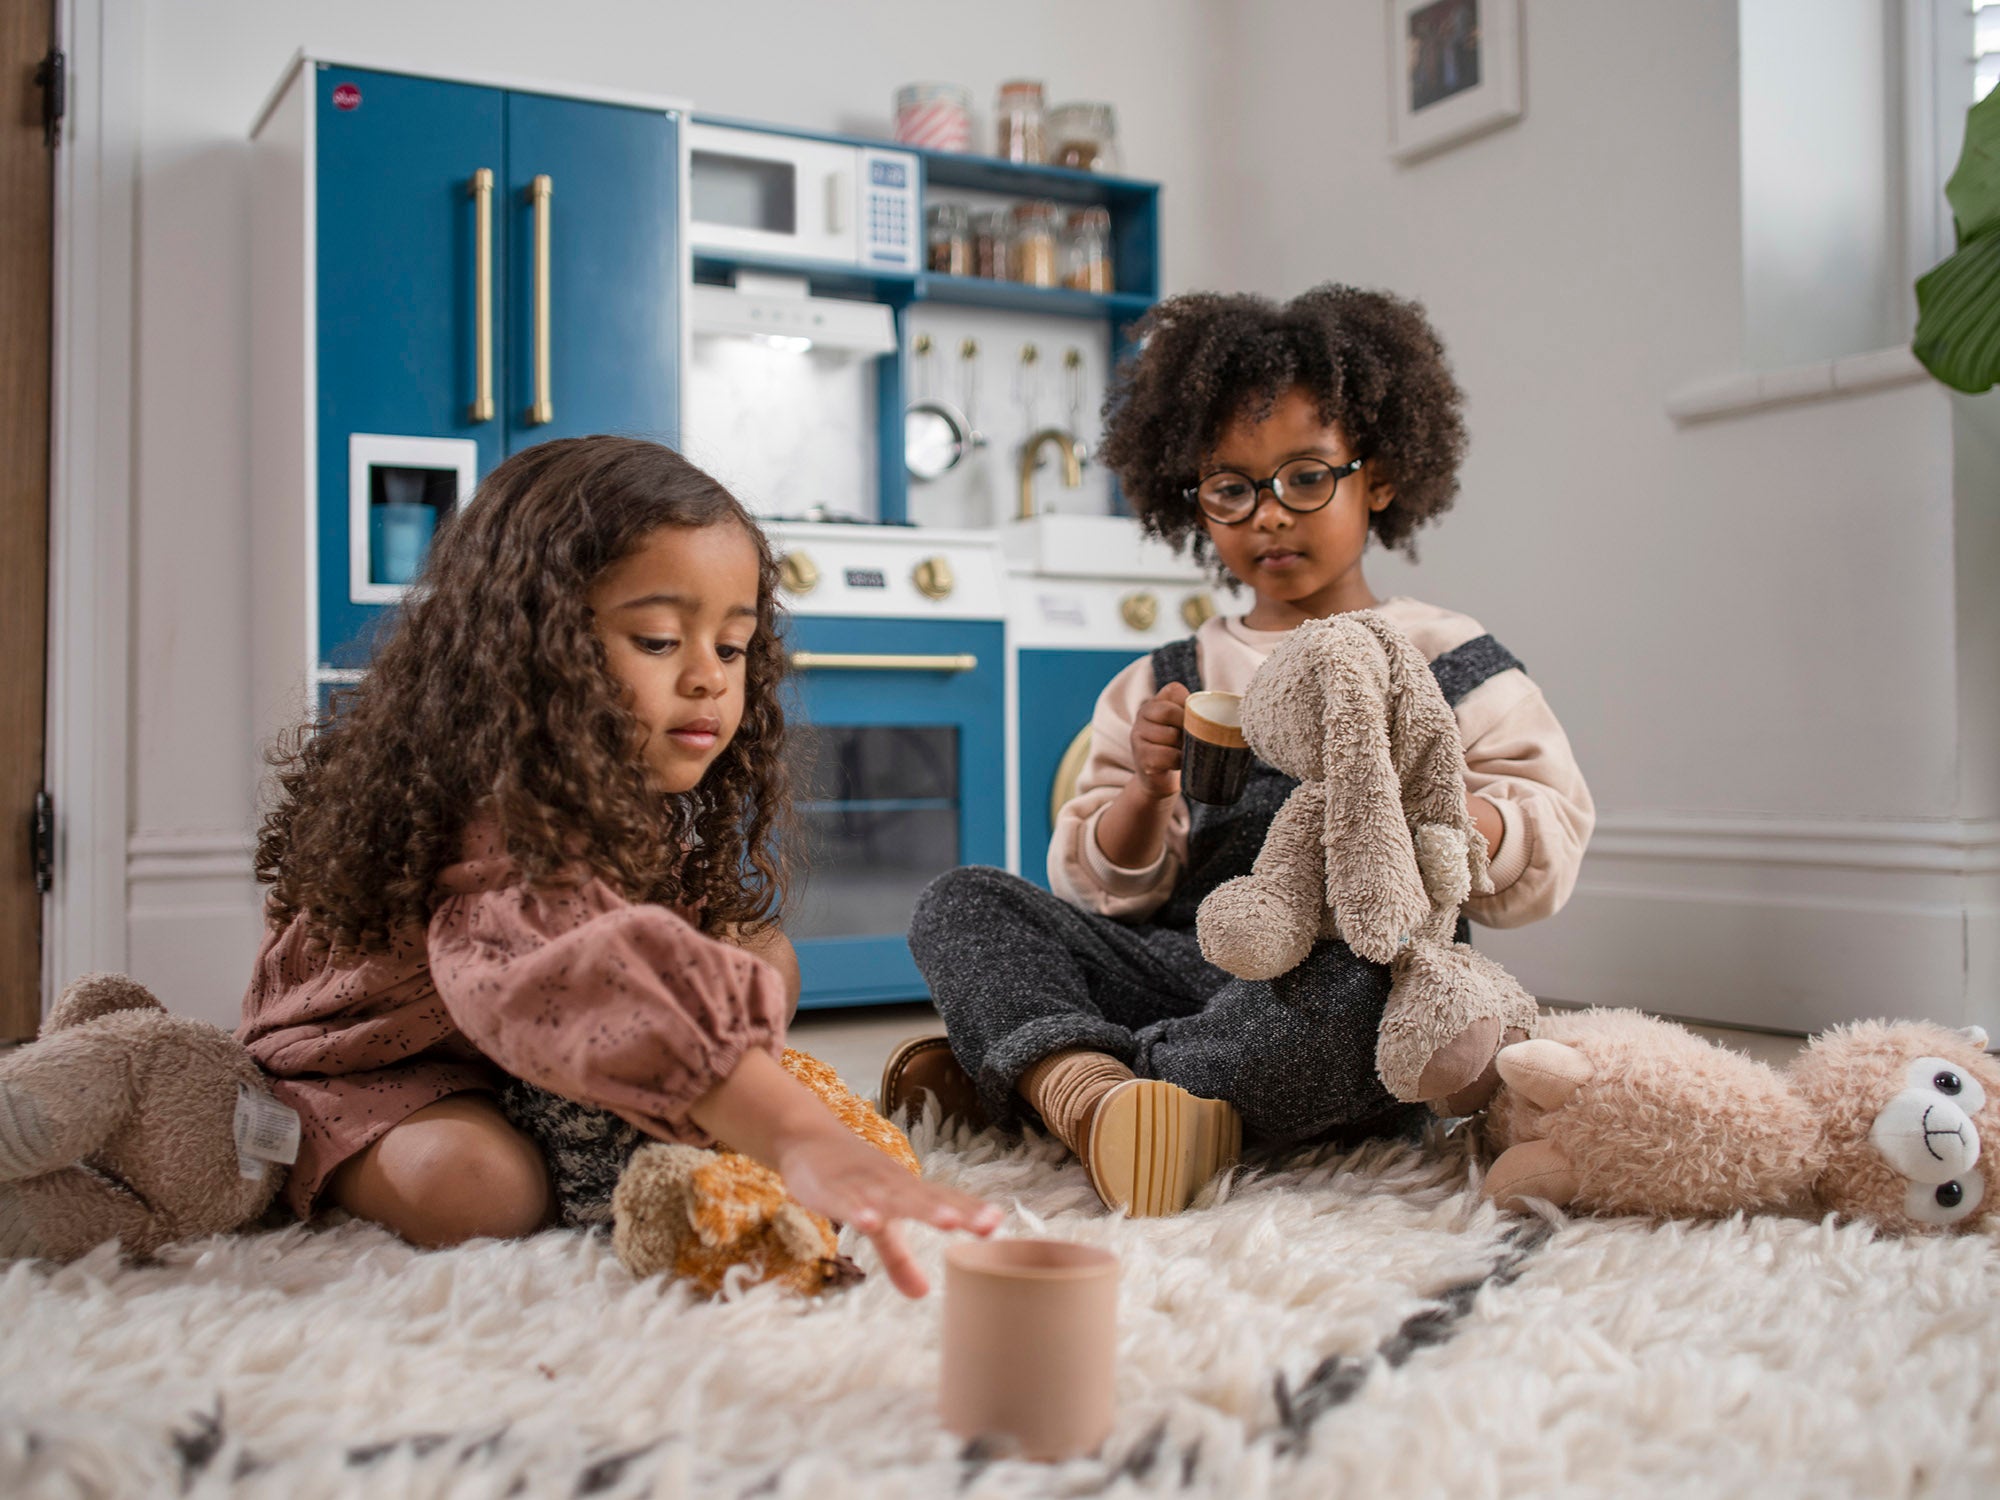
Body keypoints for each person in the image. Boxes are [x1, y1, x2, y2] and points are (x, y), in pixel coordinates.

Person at [241, 436, 996, 1296]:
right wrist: (790, 1133)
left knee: (763, 956)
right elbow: (578, 969)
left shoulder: (619, 783)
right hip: (374, 1065)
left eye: (734, 646)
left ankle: (627, 1109)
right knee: (480, 1191)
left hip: (512, 1053)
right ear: (530, 648)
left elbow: (650, 940)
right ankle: (281, 1127)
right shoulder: (494, 813)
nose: (708, 677)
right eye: (659, 640)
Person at [900, 286, 1594, 1217]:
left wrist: (1428, 811)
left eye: (1306, 477)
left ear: (1378, 477)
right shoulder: (1169, 676)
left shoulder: (1446, 656)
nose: (1269, 516)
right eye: (1232, 488)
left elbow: (1547, 828)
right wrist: (1144, 796)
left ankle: (1060, 1081)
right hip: (1185, 961)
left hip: (1339, 982)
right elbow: (1103, 888)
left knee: (1367, 991)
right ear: (1192, 502)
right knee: (964, 900)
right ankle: (1106, 1093)